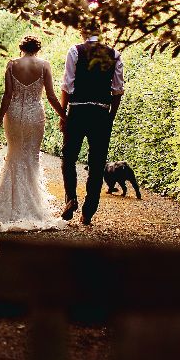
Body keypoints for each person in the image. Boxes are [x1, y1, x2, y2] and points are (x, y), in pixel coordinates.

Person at [0, 34, 67, 232]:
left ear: (21, 47)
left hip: (13, 116)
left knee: (14, 156)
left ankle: (5, 206)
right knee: (31, 158)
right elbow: (52, 96)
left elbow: (8, 95)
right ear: (37, 49)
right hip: (35, 116)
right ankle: (32, 207)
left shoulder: (11, 65)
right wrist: (64, 116)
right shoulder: (44, 65)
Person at [59, 34, 125, 225]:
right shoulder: (114, 54)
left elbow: (67, 86)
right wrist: (110, 117)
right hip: (101, 113)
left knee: (69, 157)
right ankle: (88, 211)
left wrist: (64, 115)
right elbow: (117, 90)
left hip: (78, 111)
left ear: (81, 31)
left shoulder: (75, 51)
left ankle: (71, 198)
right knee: (97, 165)